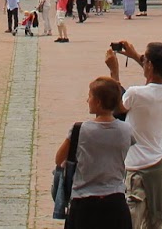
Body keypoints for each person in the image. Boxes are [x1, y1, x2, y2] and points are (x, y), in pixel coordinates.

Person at [105, 41, 162, 229]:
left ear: (149, 64)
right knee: (154, 221)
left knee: (131, 221)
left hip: (137, 167)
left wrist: (114, 71)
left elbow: (118, 106)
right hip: (159, 163)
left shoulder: (135, 93)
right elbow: (157, 75)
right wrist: (135, 56)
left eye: (145, 59)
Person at [53, 76, 133, 226]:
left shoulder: (79, 130)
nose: (87, 100)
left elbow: (59, 159)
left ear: (98, 102)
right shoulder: (126, 129)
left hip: (84, 203)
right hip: (116, 202)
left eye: (89, 96)